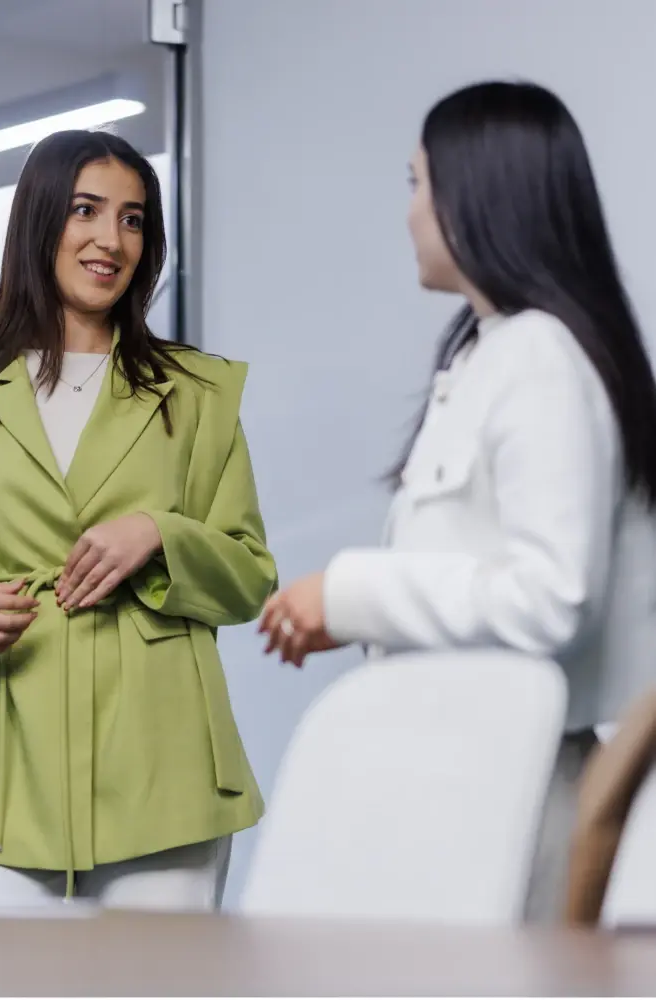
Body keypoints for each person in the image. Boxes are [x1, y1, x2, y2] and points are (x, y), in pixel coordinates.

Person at [258, 81, 656, 921]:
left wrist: (353, 594)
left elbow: (553, 598)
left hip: (535, 793)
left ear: (478, 194)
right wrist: (354, 611)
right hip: (477, 779)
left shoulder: (542, 358)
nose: (409, 212)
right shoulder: (486, 352)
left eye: (417, 183)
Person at [0, 129, 277, 910]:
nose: (110, 240)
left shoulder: (198, 394)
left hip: (163, 771)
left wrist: (160, 535)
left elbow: (250, 574)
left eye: (134, 219)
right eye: (86, 210)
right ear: (40, 221)